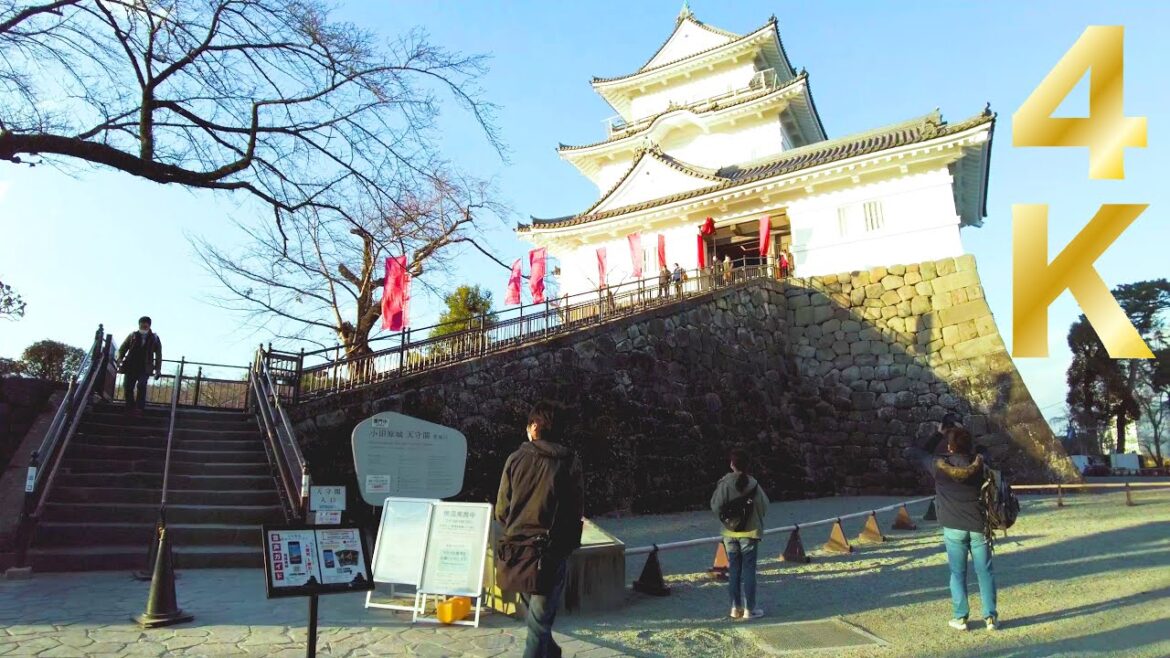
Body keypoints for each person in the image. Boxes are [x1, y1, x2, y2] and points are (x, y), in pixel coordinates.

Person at [495, 401, 584, 658]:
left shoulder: (515, 459)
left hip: (517, 552)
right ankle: (550, 651)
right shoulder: (569, 461)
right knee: (540, 622)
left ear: (534, 426)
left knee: (537, 620)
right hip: (551, 552)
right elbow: (574, 509)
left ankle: (550, 652)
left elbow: (502, 509)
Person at [908, 422, 999, 631]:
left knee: (957, 573)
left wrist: (939, 434)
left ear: (949, 447)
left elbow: (916, 452)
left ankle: (960, 617)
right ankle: (990, 617)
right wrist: (972, 443)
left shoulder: (937, 466)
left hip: (953, 525)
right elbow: (985, 451)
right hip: (978, 524)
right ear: (969, 447)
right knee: (985, 572)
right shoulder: (980, 464)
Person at [710, 448, 770, 620]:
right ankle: (749, 609)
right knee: (749, 570)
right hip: (750, 532)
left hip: (730, 532)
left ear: (731, 464)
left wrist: (727, 518)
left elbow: (715, 506)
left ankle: (735, 608)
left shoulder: (724, 483)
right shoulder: (754, 484)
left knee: (734, 570)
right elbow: (764, 506)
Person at [116, 316, 162, 415]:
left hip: (145, 367)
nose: (143, 328)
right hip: (130, 365)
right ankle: (130, 406)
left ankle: (139, 407)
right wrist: (119, 359)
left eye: (145, 326)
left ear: (149, 326)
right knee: (128, 386)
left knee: (142, 385)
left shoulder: (154, 338)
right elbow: (122, 348)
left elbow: (158, 355)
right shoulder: (133, 335)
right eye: (142, 326)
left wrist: (158, 369)